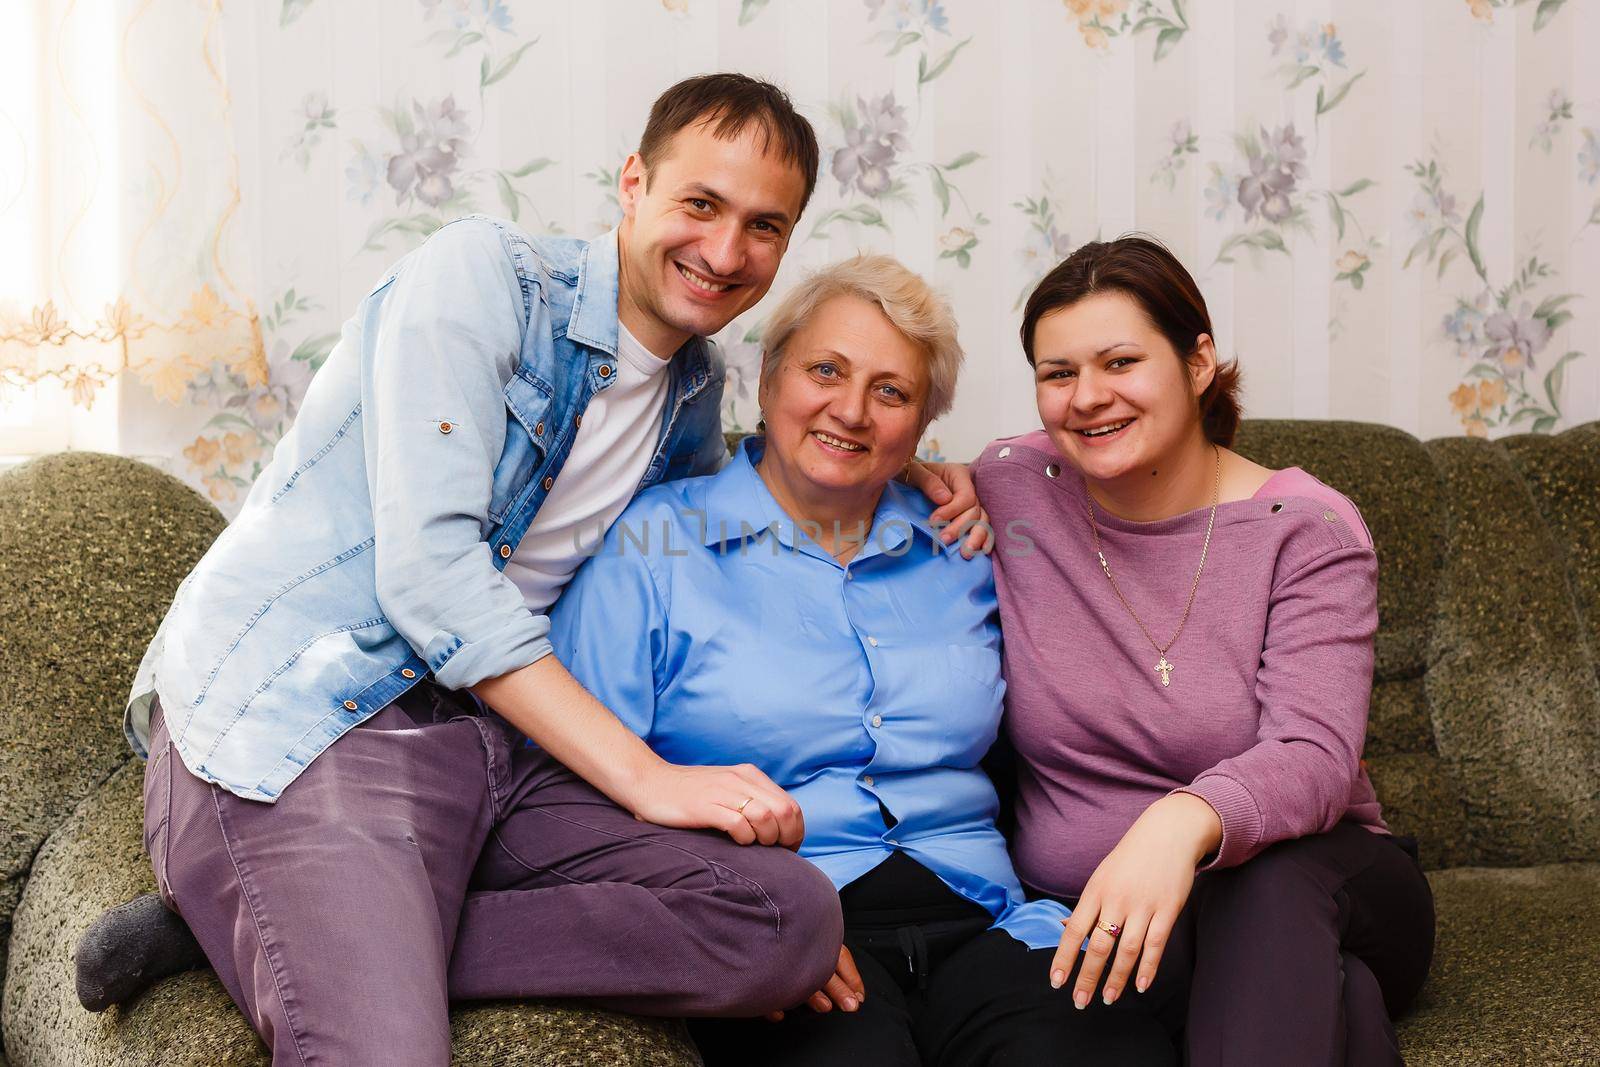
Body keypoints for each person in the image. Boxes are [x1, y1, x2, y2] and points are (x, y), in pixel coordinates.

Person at [74, 74, 988, 1065]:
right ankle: (303, 923)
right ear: (633, 183)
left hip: (484, 744)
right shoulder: (483, 278)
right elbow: (430, 578)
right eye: (700, 204)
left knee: (787, 917)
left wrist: (918, 466)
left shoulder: (689, 393)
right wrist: (648, 779)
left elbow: (763, 475)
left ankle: (280, 933)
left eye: (763, 226)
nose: (725, 252)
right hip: (311, 718)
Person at [542, 254, 1182, 1067]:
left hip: (993, 923)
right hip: (782, 923)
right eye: (825, 370)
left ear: (922, 426)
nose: (851, 410)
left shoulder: (970, 545)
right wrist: (750, 919)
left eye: (891, 391)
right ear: (769, 379)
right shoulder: (646, 548)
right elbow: (567, 800)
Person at [967, 236, 1436, 1065]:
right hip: (1122, 929)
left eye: (1120, 361)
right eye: (1058, 372)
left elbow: (1316, 752)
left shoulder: (1308, 528)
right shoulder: (1013, 487)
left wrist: (1182, 820)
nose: (1088, 397)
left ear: (1198, 363)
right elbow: (862, 471)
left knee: (1262, 884)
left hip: (1322, 881)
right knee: (1332, 1000)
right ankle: (1337, 998)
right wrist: (936, 484)